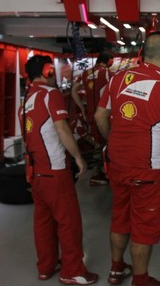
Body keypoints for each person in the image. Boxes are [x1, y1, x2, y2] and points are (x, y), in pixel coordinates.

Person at [94, 31, 160, 286]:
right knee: (143, 227)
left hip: (117, 164)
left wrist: (111, 141)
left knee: (120, 217)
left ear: (142, 54)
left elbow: (99, 116)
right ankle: (140, 280)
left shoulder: (116, 79)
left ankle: (116, 269)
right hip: (148, 172)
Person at [19, 55, 97, 285]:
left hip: (37, 173)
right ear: (47, 71)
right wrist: (77, 157)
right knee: (68, 222)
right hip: (56, 170)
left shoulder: (25, 102)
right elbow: (62, 128)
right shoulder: (50, 95)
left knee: (43, 222)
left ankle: (46, 266)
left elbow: (26, 140)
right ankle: (72, 270)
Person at [71, 51, 113, 185]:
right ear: (108, 61)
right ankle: (103, 173)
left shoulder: (85, 73)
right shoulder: (107, 73)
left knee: (98, 143)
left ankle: (98, 173)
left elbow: (73, 90)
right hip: (105, 115)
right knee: (108, 144)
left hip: (90, 114)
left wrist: (82, 108)